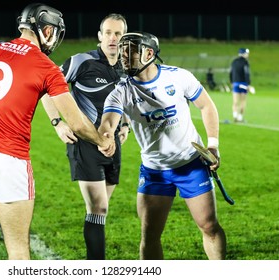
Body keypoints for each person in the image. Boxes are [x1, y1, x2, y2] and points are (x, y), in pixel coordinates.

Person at [0, 3, 113, 260]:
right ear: (46, 30)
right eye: (55, 32)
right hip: (9, 161)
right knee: (18, 251)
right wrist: (100, 140)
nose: (55, 38)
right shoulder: (45, 66)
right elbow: (78, 123)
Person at [98, 32, 227, 260]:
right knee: (150, 235)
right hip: (154, 171)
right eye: (122, 50)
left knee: (209, 226)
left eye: (131, 50)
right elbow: (108, 121)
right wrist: (105, 137)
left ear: (149, 53)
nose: (124, 56)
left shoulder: (178, 77)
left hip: (191, 165)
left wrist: (213, 146)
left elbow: (207, 106)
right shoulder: (121, 92)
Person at [41, 13, 129, 260]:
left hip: (113, 145)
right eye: (108, 33)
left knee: (101, 212)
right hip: (85, 143)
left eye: (118, 34)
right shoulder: (82, 61)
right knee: (98, 207)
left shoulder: (125, 68)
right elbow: (46, 89)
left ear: (124, 39)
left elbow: (127, 100)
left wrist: (125, 126)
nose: (113, 38)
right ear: (100, 36)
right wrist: (57, 123)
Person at [229, 48, 254, 123]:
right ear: (244, 54)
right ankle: (240, 118)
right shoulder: (245, 62)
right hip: (243, 84)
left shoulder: (234, 62)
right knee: (243, 101)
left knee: (235, 102)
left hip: (235, 83)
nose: (247, 55)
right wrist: (248, 84)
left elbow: (231, 73)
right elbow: (246, 73)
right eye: (247, 53)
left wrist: (231, 82)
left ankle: (235, 116)